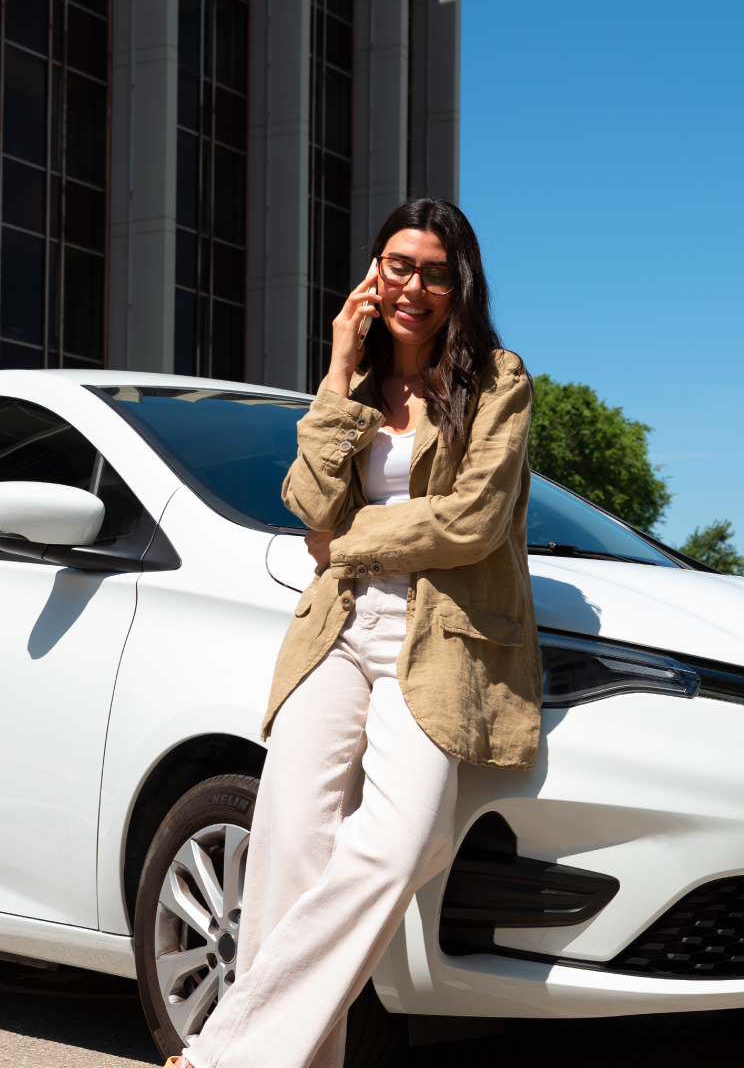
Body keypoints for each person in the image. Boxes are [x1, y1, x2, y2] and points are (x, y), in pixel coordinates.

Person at [171, 199, 541, 1068]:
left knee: (405, 839)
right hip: (336, 628)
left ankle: (222, 1051)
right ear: (375, 275)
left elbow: (474, 521)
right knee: (287, 859)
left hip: (438, 632)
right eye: (399, 266)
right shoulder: (360, 387)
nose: (416, 285)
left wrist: (350, 542)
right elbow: (305, 504)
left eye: (436, 271)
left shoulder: (499, 379)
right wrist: (338, 371)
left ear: (461, 283)